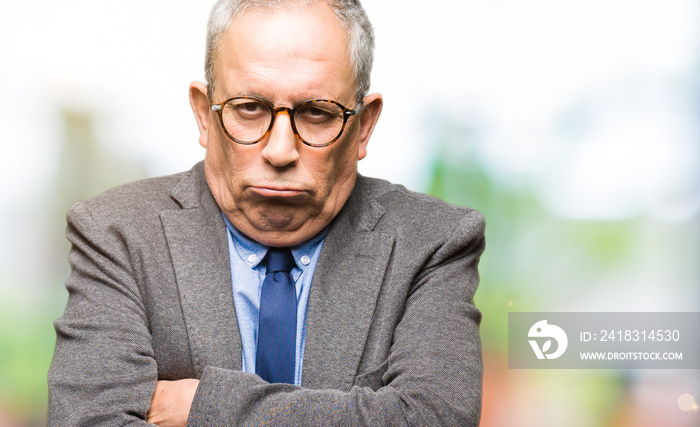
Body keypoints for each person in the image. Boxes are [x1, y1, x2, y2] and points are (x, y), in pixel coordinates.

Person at [47, 0, 486, 425]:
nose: (279, 150)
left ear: (363, 126)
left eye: (317, 112)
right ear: (204, 115)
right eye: (249, 108)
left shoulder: (434, 242)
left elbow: (432, 417)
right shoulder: (115, 234)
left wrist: (204, 406)